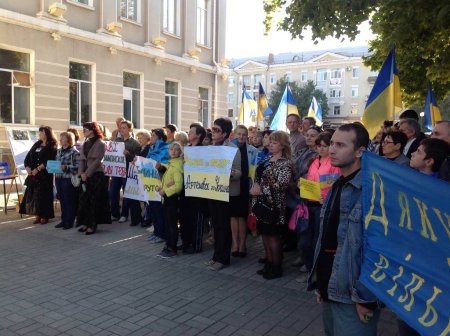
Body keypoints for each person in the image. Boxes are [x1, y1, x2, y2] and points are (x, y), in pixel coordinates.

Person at [308, 123, 380, 336]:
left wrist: (367, 298)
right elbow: (329, 238)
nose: (331, 150)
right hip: (332, 286)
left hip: (355, 297)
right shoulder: (338, 184)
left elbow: (377, 249)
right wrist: (321, 282)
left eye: (340, 145)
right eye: (331, 143)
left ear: (360, 151)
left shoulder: (371, 191)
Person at [298, 132, 341, 283]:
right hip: (309, 204)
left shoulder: (334, 164)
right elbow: (309, 180)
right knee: (304, 242)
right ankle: (311, 269)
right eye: (319, 145)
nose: (322, 149)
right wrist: (302, 185)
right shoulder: (313, 161)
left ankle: (316, 274)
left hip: (324, 206)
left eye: (325, 145)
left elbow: (335, 186)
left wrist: (327, 198)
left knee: (318, 241)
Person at [250, 131, 293, 279]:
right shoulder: (267, 158)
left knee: (273, 236)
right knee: (264, 235)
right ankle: (268, 263)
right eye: (270, 142)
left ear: (282, 145)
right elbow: (257, 176)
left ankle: (276, 266)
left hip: (274, 204)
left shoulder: (285, 163)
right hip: (261, 203)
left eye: (274, 143)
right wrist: (255, 184)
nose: (270, 144)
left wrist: (261, 189)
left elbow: (282, 184)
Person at [205, 117, 241, 271]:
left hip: (226, 193)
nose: (213, 132)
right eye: (213, 129)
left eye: (217, 130)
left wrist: (231, 173)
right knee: (216, 225)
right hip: (212, 191)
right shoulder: (209, 147)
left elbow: (239, 172)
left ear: (225, 133)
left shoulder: (233, 149)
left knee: (224, 226)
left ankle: (223, 259)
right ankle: (216, 256)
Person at [77, 122, 111, 235]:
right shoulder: (85, 143)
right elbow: (81, 159)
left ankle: (93, 225)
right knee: (84, 200)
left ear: (92, 130)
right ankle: (85, 222)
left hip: (95, 175)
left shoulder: (100, 143)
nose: (84, 131)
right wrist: (81, 173)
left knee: (94, 201)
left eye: (86, 129)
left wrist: (87, 173)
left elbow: (97, 161)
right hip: (84, 175)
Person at [20, 126, 58, 224]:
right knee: (35, 195)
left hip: (44, 175)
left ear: (46, 133)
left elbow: (50, 160)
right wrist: (27, 167)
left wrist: (38, 169)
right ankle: (38, 214)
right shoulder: (37, 144)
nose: (39, 134)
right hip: (33, 174)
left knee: (44, 194)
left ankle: (45, 215)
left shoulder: (52, 145)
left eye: (41, 132)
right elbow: (28, 157)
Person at [230, 125, 258, 258]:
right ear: (234, 135)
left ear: (247, 136)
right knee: (233, 216)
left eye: (244, 135)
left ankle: (242, 245)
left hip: (245, 186)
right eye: (239, 134)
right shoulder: (229, 149)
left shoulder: (253, 150)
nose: (241, 137)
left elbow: (255, 170)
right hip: (233, 185)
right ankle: (235, 244)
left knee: (242, 217)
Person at [182, 123, 208, 253]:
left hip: (198, 190)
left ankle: (196, 245)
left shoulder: (203, 150)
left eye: (191, 132)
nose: (189, 133)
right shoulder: (187, 148)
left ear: (198, 135)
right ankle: (186, 242)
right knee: (185, 218)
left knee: (196, 219)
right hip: (186, 187)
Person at [156, 142, 184, 258]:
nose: (173, 151)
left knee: (172, 225)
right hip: (169, 199)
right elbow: (169, 181)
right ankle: (169, 246)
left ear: (180, 152)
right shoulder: (172, 164)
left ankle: (172, 248)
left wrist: (165, 191)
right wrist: (162, 187)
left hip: (172, 200)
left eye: (176, 149)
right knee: (169, 224)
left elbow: (178, 186)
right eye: (171, 149)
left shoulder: (176, 166)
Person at [110, 120, 140, 223]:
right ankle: (115, 214)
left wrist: (128, 154)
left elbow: (137, 159)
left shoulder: (135, 143)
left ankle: (124, 214)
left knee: (126, 194)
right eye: (120, 128)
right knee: (113, 192)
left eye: (124, 128)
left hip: (127, 171)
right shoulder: (116, 140)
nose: (121, 130)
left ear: (130, 129)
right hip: (116, 171)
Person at [146, 128, 170, 243]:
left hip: (160, 182)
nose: (151, 137)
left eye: (154, 135)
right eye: (151, 135)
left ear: (160, 137)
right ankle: (156, 232)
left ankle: (162, 234)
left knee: (159, 209)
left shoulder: (165, 148)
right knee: (153, 209)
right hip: (151, 182)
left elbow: (160, 162)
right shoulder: (151, 148)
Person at [54, 132, 80, 230]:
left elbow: (78, 166)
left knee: (69, 201)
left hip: (68, 178)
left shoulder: (75, 152)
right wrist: (51, 167)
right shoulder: (59, 151)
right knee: (62, 200)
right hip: (58, 177)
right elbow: (56, 163)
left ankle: (69, 222)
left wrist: (66, 167)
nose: (60, 140)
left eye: (62, 138)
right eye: (60, 138)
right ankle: (63, 220)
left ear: (69, 140)